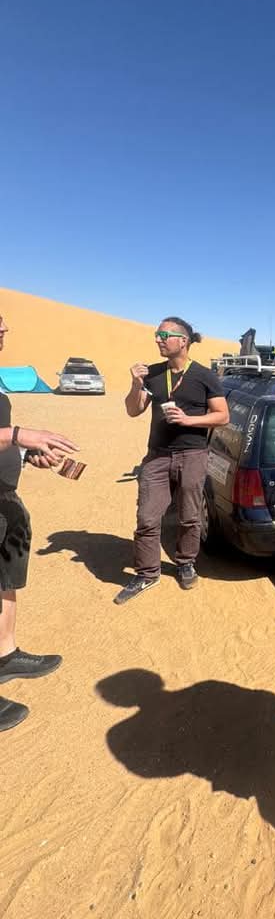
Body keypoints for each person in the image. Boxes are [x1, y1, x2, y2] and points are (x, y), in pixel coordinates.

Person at [0, 313, 78, 732]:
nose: (3, 331)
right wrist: (17, 435)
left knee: (5, 581)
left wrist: (26, 455)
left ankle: (5, 656)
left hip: (3, 501)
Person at [115, 317, 229, 605]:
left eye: (164, 335)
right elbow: (133, 410)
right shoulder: (152, 373)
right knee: (147, 517)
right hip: (157, 455)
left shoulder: (204, 375)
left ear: (183, 341)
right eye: (157, 334)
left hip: (193, 455)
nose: (158, 339)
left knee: (189, 516)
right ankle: (147, 573)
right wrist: (135, 384)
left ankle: (186, 563)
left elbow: (222, 416)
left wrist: (189, 420)